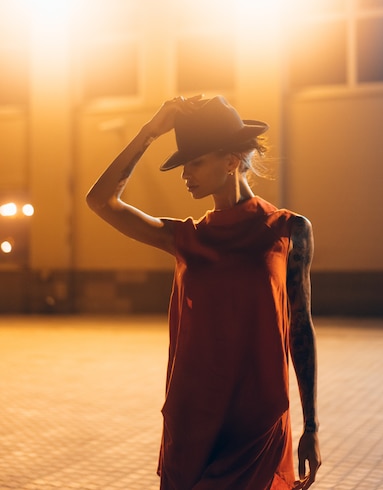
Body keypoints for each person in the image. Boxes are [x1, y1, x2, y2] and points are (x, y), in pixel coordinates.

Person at [86, 95, 321, 490]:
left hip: (257, 422)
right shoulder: (186, 238)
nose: (185, 175)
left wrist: (311, 426)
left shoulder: (289, 230)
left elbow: (301, 327)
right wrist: (149, 132)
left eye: (194, 162)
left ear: (231, 160)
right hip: (192, 420)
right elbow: (101, 201)